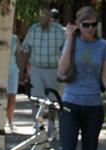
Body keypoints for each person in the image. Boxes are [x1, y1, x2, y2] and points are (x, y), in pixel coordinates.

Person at [57, 6, 106, 150]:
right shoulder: (72, 42)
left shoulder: (103, 45)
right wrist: (69, 40)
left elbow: (105, 75)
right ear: (78, 25)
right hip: (70, 104)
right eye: (86, 25)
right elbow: (62, 70)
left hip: (93, 106)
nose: (90, 28)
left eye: (94, 24)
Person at [19, 8, 66, 139]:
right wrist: (22, 71)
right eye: (40, 16)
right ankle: (38, 125)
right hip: (37, 68)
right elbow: (25, 50)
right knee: (36, 98)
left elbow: (66, 52)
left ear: (50, 17)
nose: (42, 18)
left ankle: (51, 125)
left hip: (54, 69)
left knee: (52, 100)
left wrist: (65, 71)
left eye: (45, 16)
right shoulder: (33, 29)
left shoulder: (60, 31)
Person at [6, 32, 20, 132]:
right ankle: (0, 122)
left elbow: (18, 55)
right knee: (0, 97)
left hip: (13, 70)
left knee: (12, 97)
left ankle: (10, 122)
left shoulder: (15, 38)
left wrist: (21, 70)